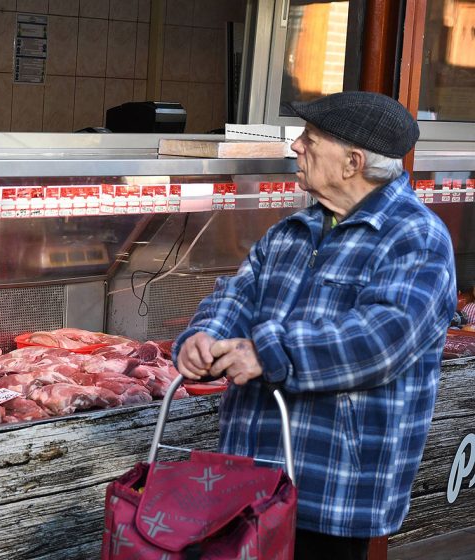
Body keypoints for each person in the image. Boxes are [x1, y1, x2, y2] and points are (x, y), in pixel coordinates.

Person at [173, 91, 456, 559]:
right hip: (248, 477)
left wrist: (266, 354)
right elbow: (236, 295)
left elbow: (380, 339)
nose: (296, 147)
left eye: (310, 139)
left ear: (352, 162)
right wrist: (205, 338)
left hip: (334, 490)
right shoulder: (291, 230)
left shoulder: (416, 238)